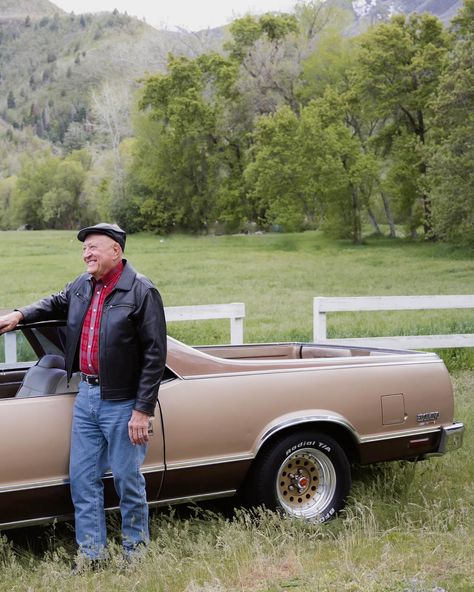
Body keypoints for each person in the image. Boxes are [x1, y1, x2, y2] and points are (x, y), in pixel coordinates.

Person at [0, 223, 167, 565]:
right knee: (83, 480)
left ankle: (137, 554)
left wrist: (142, 410)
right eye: (84, 248)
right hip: (86, 396)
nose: (86, 253)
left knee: (127, 480)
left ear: (116, 251)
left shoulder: (141, 291)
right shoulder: (81, 286)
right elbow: (53, 303)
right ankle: (92, 555)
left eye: (93, 247)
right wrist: (20, 314)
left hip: (123, 402)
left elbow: (155, 355)